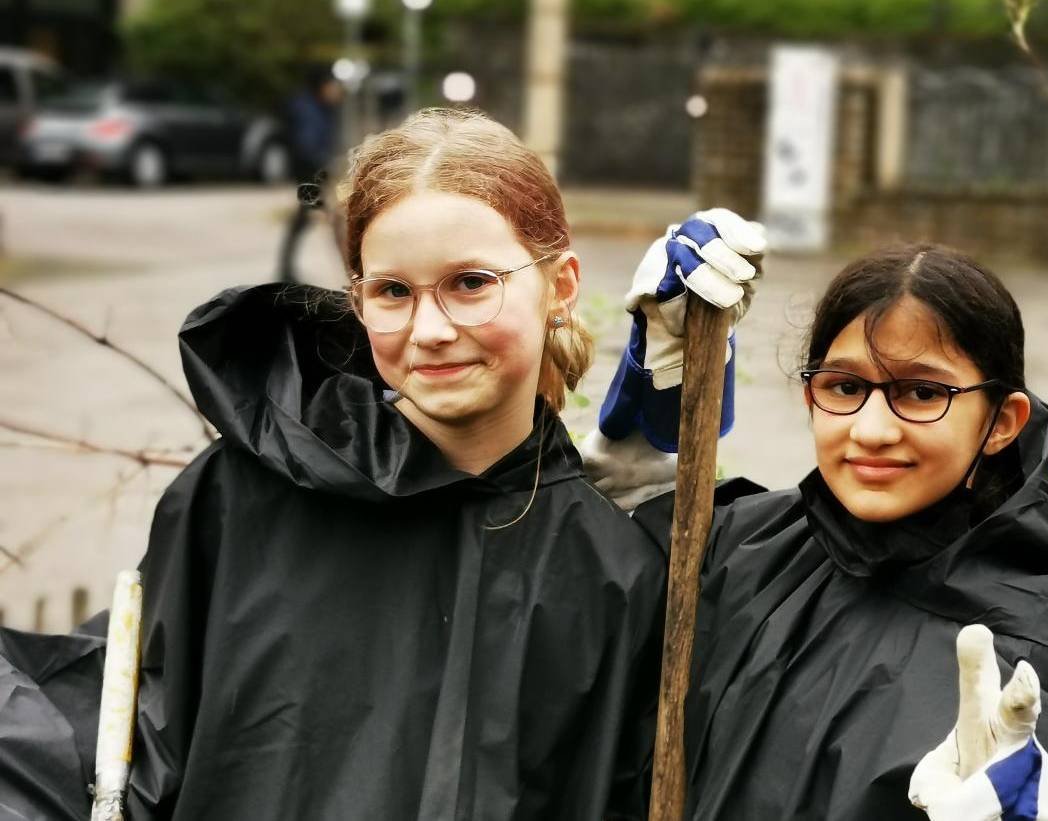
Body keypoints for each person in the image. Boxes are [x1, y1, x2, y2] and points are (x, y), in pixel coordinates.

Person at [0, 108, 677, 820]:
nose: (432, 330)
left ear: (561, 284)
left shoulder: (613, 567)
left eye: (472, 282)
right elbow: (134, 731)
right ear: (356, 298)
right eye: (392, 292)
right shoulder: (245, 494)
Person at [584, 242, 1048, 819]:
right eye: (845, 388)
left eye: (923, 393)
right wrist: (635, 444)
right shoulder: (740, 544)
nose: (871, 430)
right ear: (810, 397)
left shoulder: (1017, 661)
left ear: (1002, 422)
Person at [274, 65, 342, 285]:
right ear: (322, 86)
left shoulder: (316, 106)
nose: (336, 90)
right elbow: (308, 145)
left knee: (308, 219)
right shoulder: (308, 109)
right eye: (332, 85)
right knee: (331, 220)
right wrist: (323, 171)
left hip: (312, 173)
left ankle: (285, 269)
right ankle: (352, 273)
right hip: (310, 173)